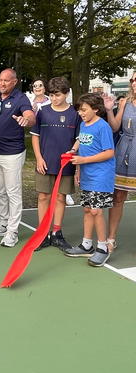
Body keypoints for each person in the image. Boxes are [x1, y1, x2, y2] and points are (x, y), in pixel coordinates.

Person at [0, 68, 35, 248]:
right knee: (0, 191)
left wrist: (26, 120)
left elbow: (30, 116)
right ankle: (3, 223)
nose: (3, 83)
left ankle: (12, 231)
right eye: (0, 80)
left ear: (14, 82)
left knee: (13, 192)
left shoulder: (20, 98)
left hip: (13, 153)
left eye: (7, 80)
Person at [64, 93, 116, 267]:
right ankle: (87, 245)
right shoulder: (84, 124)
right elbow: (81, 140)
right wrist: (73, 151)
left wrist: (83, 160)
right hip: (86, 174)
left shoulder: (103, 127)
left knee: (96, 211)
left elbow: (109, 152)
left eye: (84, 110)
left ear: (95, 109)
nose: (81, 113)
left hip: (101, 176)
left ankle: (102, 248)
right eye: (79, 109)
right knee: (87, 209)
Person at [29, 77, 80, 252]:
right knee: (43, 196)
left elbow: (79, 139)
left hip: (65, 165)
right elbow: (35, 136)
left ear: (66, 93)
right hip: (45, 162)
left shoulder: (75, 114)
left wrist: (72, 152)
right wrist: (39, 158)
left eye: (57, 95)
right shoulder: (42, 112)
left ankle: (56, 233)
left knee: (60, 197)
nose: (54, 98)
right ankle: (43, 233)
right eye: (51, 95)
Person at [103, 71, 136, 251]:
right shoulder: (124, 102)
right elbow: (115, 127)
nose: (134, 83)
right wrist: (109, 109)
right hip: (124, 152)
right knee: (117, 197)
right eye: (133, 80)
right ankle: (110, 238)